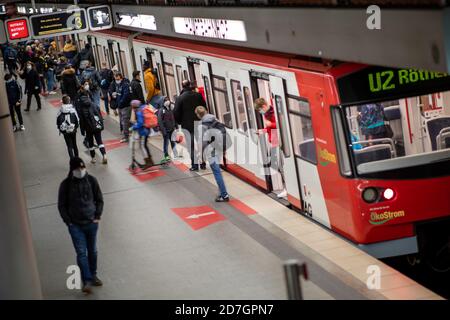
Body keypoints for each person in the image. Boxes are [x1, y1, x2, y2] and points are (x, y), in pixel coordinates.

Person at [57, 157, 104, 294]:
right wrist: (69, 222)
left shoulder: (92, 181)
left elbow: (99, 199)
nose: (81, 171)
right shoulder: (65, 185)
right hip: (75, 226)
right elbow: (61, 205)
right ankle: (87, 281)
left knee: (93, 251)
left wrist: (97, 216)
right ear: (72, 169)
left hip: (91, 223)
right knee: (81, 253)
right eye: (78, 169)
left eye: (83, 168)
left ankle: (93, 274)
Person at [195, 106, 230, 202]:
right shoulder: (215, 119)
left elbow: (201, 142)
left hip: (211, 150)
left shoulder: (201, 126)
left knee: (217, 172)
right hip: (219, 148)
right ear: (206, 111)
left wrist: (201, 156)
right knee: (218, 171)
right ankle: (221, 193)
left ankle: (224, 195)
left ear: (198, 115)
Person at [254, 97, 287, 198]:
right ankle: (286, 188)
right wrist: (263, 131)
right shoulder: (268, 113)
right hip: (273, 140)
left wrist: (270, 124)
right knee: (277, 166)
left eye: (260, 110)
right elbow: (270, 127)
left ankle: (287, 189)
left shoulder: (273, 113)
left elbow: (279, 125)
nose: (260, 112)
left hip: (276, 140)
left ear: (263, 106)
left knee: (280, 166)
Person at [173, 80, 207, 171]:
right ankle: (203, 163)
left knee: (191, 146)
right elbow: (204, 108)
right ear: (190, 85)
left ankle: (195, 166)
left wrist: (180, 122)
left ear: (182, 86)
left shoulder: (180, 98)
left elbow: (175, 113)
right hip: (199, 123)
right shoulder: (198, 95)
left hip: (187, 126)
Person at [75, 81, 108, 164]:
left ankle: (93, 158)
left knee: (91, 143)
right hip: (96, 125)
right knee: (99, 141)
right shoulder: (93, 104)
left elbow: (81, 120)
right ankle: (104, 155)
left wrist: (82, 130)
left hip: (88, 127)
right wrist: (101, 125)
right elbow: (100, 115)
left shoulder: (81, 108)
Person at [131, 100, 154, 168]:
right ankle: (150, 160)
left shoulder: (138, 112)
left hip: (143, 131)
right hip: (147, 130)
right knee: (145, 145)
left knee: (142, 146)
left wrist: (133, 127)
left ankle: (148, 162)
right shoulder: (142, 108)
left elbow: (140, 123)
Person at [111, 73, 132, 143]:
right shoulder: (118, 85)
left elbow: (126, 96)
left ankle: (126, 136)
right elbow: (119, 94)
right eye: (115, 79)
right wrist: (115, 95)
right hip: (120, 106)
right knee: (123, 121)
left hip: (125, 106)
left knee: (125, 121)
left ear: (121, 78)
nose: (116, 80)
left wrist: (120, 103)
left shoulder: (125, 85)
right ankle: (127, 133)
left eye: (118, 79)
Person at [158, 96, 178, 161]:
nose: (167, 101)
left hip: (172, 129)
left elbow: (173, 118)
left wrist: (176, 126)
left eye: (168, 99)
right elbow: (160, 121)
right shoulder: (161, 110)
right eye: (166, 100)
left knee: (173, 142)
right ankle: (166, 155)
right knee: (166, 143)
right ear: (162, 102)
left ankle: (176, 154)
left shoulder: (170, 109)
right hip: (166, 130)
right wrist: (163, 130)